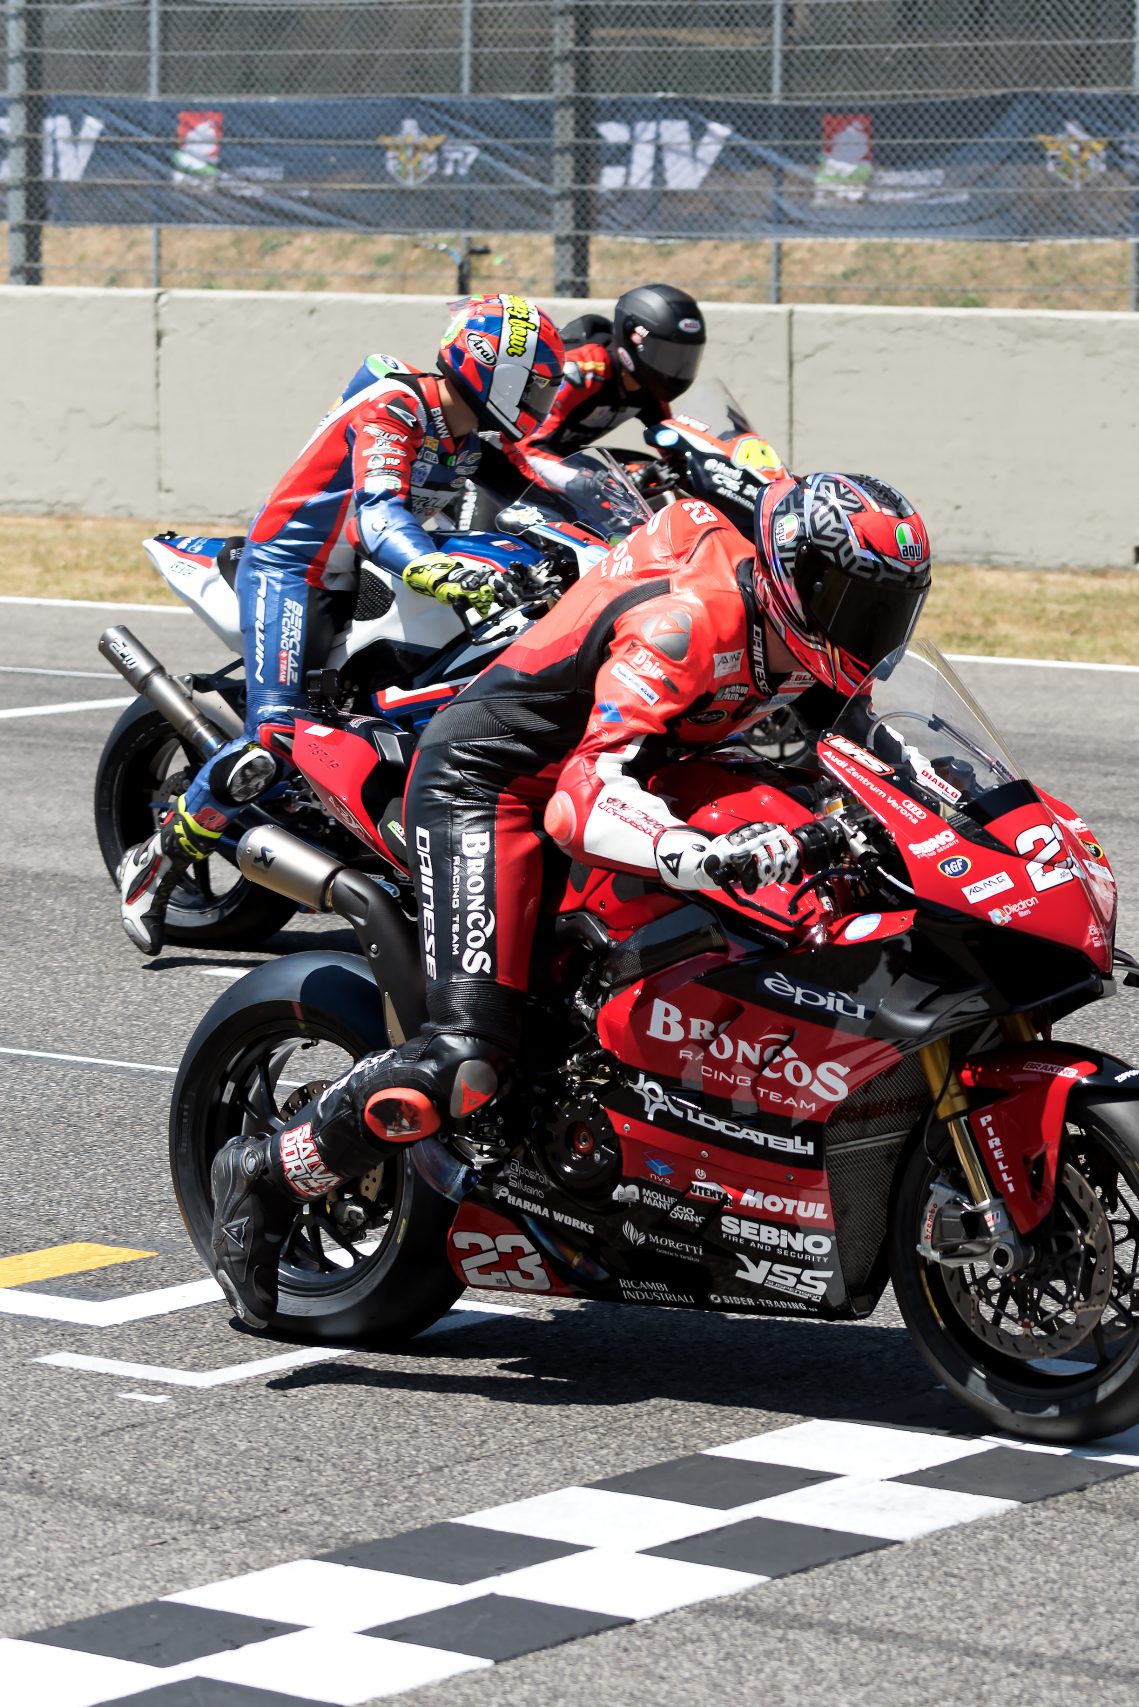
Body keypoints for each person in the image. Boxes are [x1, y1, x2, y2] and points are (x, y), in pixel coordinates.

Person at [203, 471, 935, 1329]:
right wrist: (686, 852)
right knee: (470, 1061)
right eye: (850, 600)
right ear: (793, 577)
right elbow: (583, 794)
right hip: (501, 783)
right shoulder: (690, 622)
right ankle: (268, 1168)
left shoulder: (815, 648)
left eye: (887, 609)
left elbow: (878, 759)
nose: (866, 629)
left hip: (655, 771)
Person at [116, 294, 570, 954]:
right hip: (294, 570)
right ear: (489, 365)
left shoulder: (467, 435)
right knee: (272, 741)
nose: (537, 400)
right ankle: (156, 863)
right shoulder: (396, 405)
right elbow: (378, 515)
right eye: (531, 383)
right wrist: (434, 569)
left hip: (360, 574)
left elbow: (541, 488)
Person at [526, 284, 707, 456]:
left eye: (682, 357)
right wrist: (587, 479)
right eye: (666, 355)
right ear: (633, 339)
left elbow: (673, 446)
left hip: (557, 460)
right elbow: (528, 447)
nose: (673, 367)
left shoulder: (648, 390)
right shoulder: (583, 372)